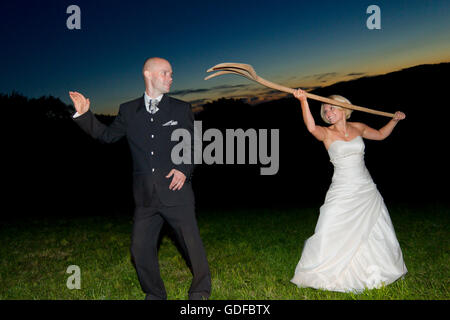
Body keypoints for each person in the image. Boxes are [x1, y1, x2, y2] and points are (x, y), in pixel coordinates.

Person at [69, 57, 211, 300]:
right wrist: (84, 115)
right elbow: (107, 136)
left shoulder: (180, 108)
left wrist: (182, 168)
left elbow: (194, 144)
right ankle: (154, 294)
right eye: (165, 73)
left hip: (177, 191)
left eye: (171, 73)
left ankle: (199, 290)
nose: (170, 78)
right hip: (145, 195)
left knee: (191, 245)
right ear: (148, 74)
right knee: (140, 248)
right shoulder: (128, 110)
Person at [290, 89, 407, 292]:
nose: (327, 112)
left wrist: (395, 120)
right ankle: (323, 272)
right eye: (325, 110)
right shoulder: (326, 133)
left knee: (375, 230)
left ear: (344, 109)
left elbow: (380, 135)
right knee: (330, 226)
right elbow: (311, 128)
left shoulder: (358, 127)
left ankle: (377, 271)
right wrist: (303, 101)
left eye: (331, 107)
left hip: (365, 188)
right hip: (342, 189)